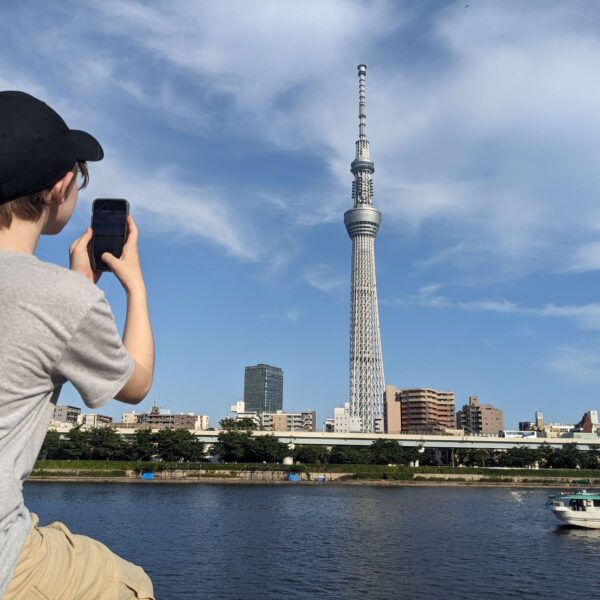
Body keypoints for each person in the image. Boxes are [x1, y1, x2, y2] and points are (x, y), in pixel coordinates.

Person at [0, 91, 155, 599]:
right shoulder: (63, 297)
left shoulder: (64, 297)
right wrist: (133, 285)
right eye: (80, 178)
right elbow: (135, 385)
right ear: (61, 187)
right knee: (130, 584)